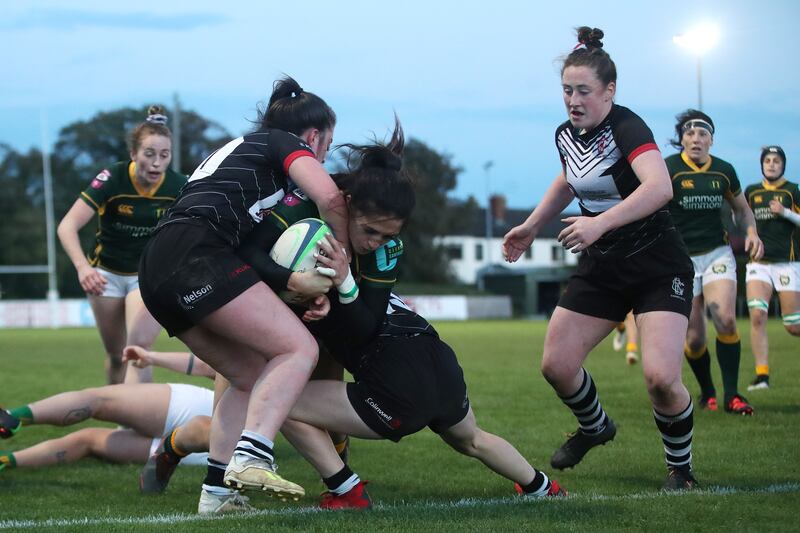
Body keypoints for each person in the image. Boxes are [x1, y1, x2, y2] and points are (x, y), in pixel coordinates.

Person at [141, 122, 567, 512]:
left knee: (272, 394)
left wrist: (340, 284)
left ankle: (345, 489)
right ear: (345, 208)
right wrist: (302, 285)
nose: (376, 242)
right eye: (369, 230)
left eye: (388, 236)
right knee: (473, 439)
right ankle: (541, 486)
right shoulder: (309, 214)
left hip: (396, 386)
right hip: (436, 361)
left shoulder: (366, 244)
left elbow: (363, 326)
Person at [137, 76, 349, 513]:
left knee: (249, 375)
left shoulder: (239, 152)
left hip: (158, 265)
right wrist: (344, 265)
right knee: (299, 348)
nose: (325, 153)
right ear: (312, 137)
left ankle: (216, 494)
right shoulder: (280, 143)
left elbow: (249, 248)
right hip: (196, 254)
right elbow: (331, 198)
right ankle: (253, 455)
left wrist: (291, 282)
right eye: (328, 142)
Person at [502, 27, 699, 490]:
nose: (573, 99)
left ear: (609, 91)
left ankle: (681, 469)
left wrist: (599, 224)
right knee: (557, 365)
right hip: (604, 265)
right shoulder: (567, 134)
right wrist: (531, 225)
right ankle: (596, 427)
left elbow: (660, 187)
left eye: (583, 91)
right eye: (567, 90)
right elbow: (569, 180)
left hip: (657, 264)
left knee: (660, 379)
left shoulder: (628, 128)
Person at [57, 106, 186, 384]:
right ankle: (119, 416)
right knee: (117, 355)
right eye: (149, 154)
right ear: (133, 154)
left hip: (146, 277)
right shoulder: (112, 179)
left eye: (164, 155)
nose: (156, 163)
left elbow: (189, 235)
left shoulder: (179, 186)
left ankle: (143, 425)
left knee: (138, 352)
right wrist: (83, 269)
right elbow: (67, 226)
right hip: (105, 277)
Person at [665, 109, 764, 415]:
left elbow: (743, 209)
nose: (696, 139)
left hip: (717, 254)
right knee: (694, 339)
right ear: (681, 139)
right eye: (690, 133)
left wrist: (751, 232)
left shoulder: (724, 171)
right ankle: (707, 390)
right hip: (680, 261)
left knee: (726, 319)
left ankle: (732, 396)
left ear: (712, 140)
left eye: (703, 134)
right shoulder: (667, 169)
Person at [0, 349, 214, 477]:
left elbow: (208, 366)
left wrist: (152, 357)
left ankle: (10, 418)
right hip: (215, 447)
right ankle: (5, 460)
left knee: (97, 401)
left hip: (201, 410)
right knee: (88, 440)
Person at [744, 146, 800, 390]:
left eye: (776, 161)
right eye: (767, 160)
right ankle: (762, 376)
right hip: (759, 264)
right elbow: (742, 216)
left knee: (793, 326)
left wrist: (786, 212)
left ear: (783, 165)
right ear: (762, 164)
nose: (772, 164)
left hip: (787, 264)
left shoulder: (792, 190)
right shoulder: (752, 191)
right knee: (757, 315)